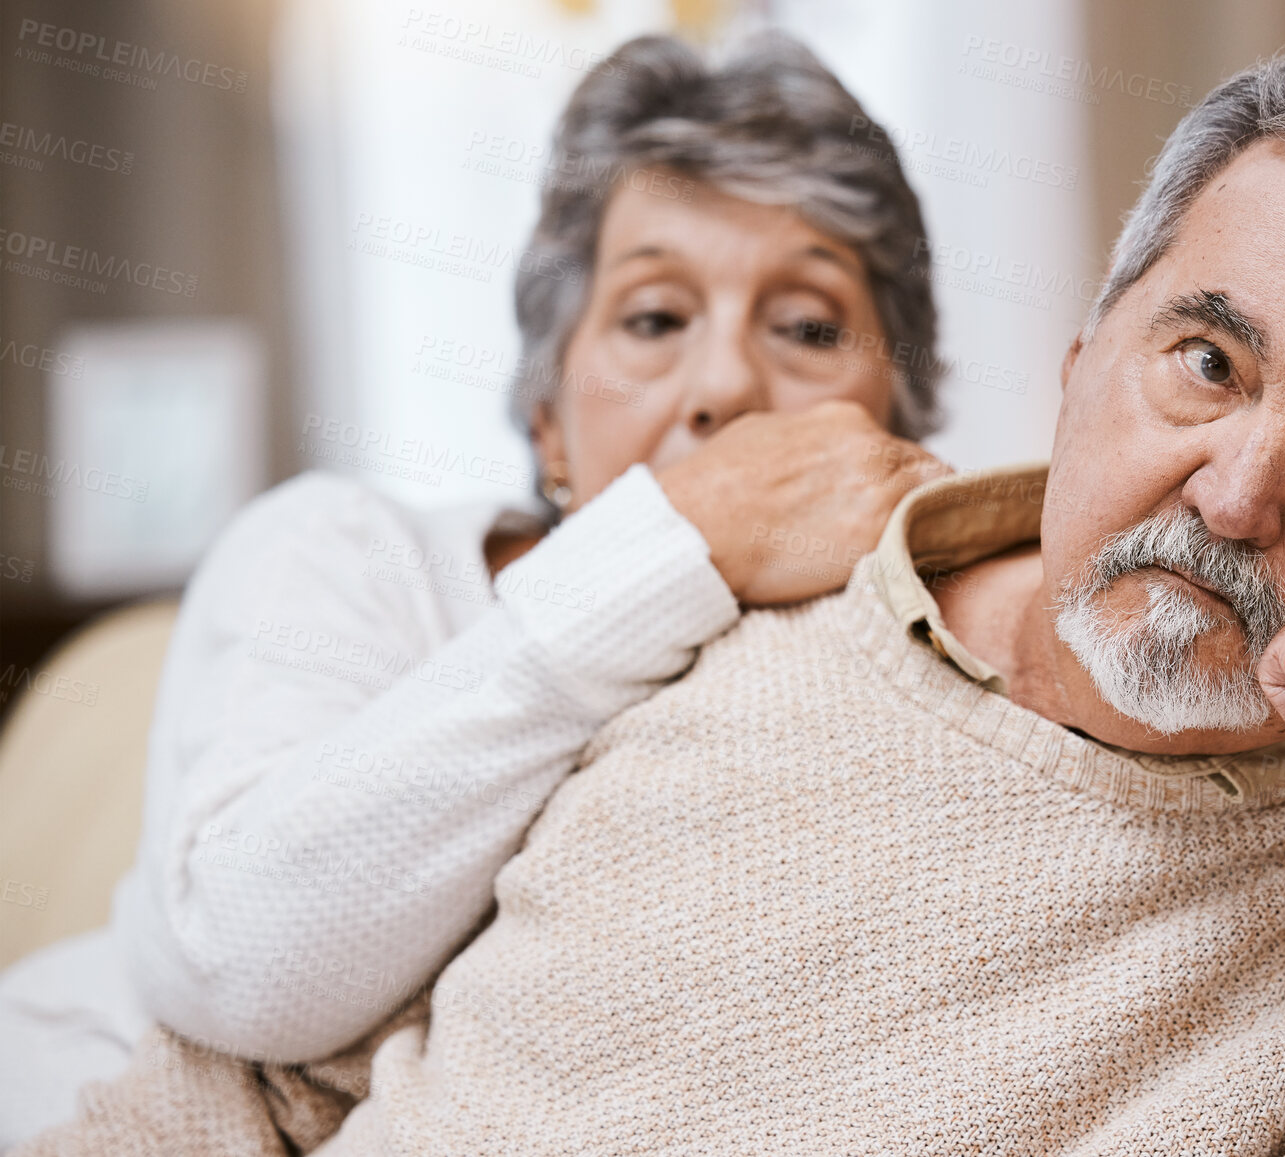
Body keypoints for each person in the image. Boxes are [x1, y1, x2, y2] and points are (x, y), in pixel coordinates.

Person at [16, 53, 1285, 1157]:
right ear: (1077, 357)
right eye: (1203, 359)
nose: (1238, 490)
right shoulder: (692, 630)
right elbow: (261, 1071)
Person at [0, 31, 944, 1148]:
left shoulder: (914, 695)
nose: (729, 382)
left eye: (806, 326)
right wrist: (678, 540)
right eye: (653, 318)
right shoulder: (342, 552)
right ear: (549, 420)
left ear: (899, 427)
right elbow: (236, 965)